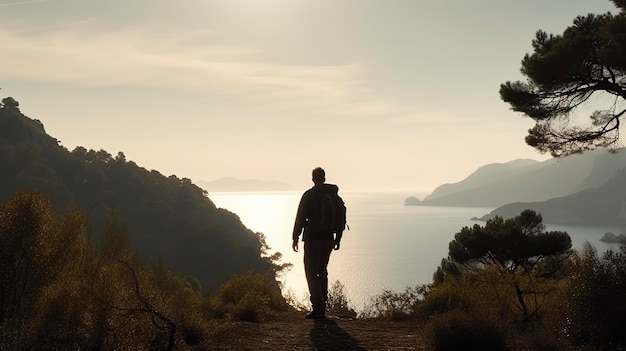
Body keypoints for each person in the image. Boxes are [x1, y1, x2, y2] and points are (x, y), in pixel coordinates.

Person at [292, 167, 344, 319]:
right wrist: (338, 239)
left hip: (313, 238)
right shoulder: (335, 197)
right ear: (325, 178)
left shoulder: (310, 195)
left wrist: (295, 237)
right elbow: (341, 219)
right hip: (329, 238)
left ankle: (318, 306)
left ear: (313, 178)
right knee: (322, 270)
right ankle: (323, 304)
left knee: (311, 271)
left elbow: (300, 217)